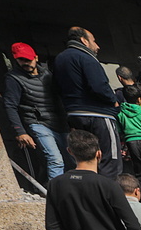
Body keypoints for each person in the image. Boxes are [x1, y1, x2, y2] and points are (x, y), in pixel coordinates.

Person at [53, 27, 123, 179]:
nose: (97, 46)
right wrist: (114, 100)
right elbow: (99, 86)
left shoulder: (60, 59)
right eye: (94, 41)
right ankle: (108, 197)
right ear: (84, 41)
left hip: (74, 115)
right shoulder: (86, 58)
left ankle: (89, 195)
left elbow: (56, 88)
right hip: (98, 115)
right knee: (109, 160)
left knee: (85, 159)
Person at [5, 43, 68, 181]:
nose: (25, 63)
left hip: (58, 122)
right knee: (55, 159)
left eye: (28, 59)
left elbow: (59, 99)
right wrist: (20, 132)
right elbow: (10, 106)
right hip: (37, 122)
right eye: (21, 60)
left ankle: (70, 189)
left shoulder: (47, 75)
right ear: (16, 60)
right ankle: (56, 195)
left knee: (70, 157)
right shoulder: (14, 78)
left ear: (36, 57)